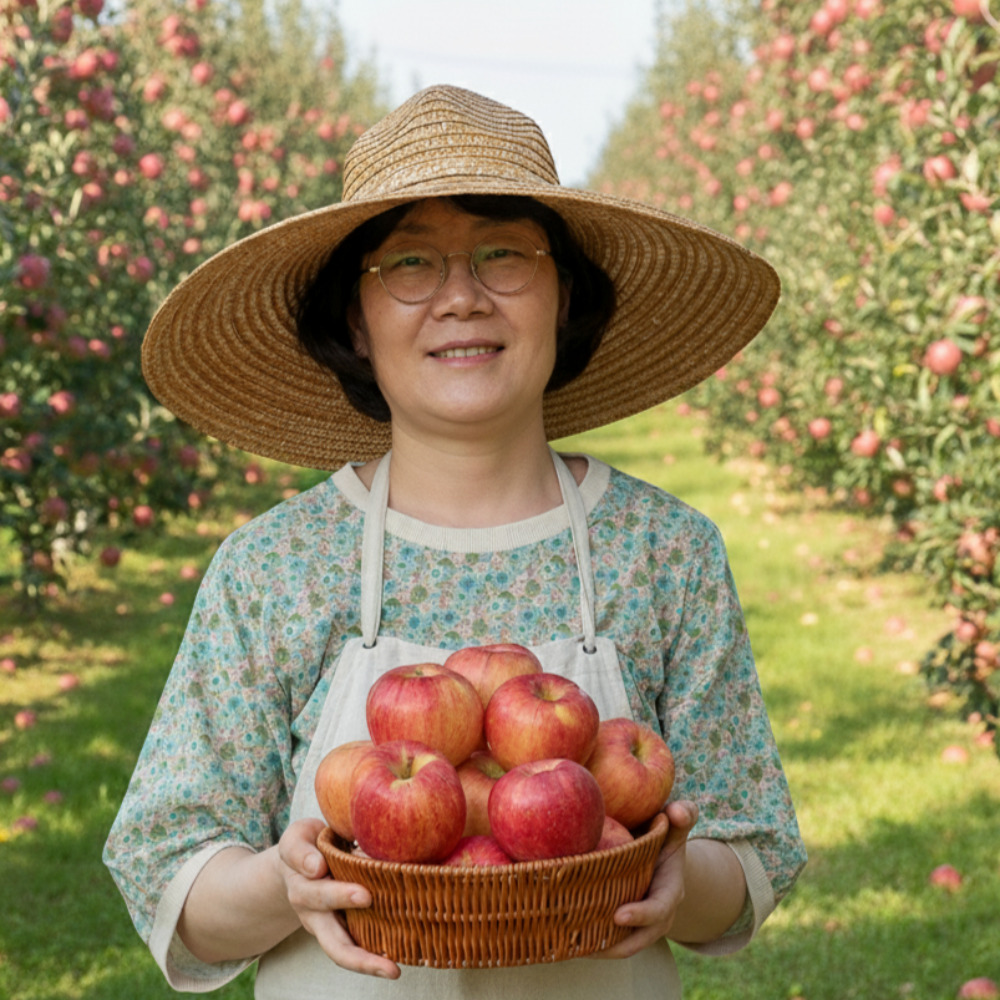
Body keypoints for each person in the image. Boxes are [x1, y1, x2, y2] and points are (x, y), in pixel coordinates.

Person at [104, 84, 807, 999]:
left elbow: (749, 851)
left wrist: (675, 883)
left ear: (565, 297)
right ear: (355, 320)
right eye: (409, 266)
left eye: (504, 255)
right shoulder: (275, 568)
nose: (462, 298)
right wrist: (288, 881)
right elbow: (170, 874)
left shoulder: (663, 550)